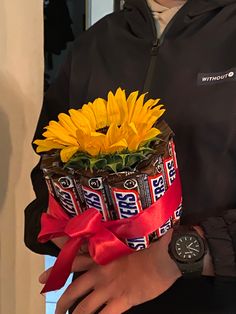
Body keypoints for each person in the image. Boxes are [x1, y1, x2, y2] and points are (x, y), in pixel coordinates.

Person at [24, 0, 236, 313]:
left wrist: (177, 256)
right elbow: (48, 168)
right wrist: (63, 229)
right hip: (103, 299)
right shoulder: (94, 44)